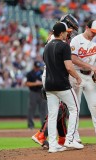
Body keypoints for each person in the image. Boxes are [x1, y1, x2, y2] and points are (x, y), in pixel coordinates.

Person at [31, 14, 79, 148]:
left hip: (51, 74)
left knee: (60, 109)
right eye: (71, 28)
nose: (72, 31)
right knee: (60, 108)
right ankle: (42, 134)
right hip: (54, 74)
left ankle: (60, 139)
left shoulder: (55, 38)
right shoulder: (56, 40)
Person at [69, 20, 96, 144]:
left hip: (90, 77)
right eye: (93, 31)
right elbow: (73, 58)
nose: (94, 34)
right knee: (75, 108)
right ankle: (74, 136)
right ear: (87, 27)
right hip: (76, 75)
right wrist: (91, 67)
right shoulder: (76, 40)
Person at [43, 22, 83, 153]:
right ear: (61, 33)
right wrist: (77, 77)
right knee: (75, 109)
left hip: (49, 85)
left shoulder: (47, 46)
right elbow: (69, 67)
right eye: (66, 32)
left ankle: (53, 146)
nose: (67, 34)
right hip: (62, 84)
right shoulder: (64, 46)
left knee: (53, 114)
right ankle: (70, 139)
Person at [25, 60, 47, 130]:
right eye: (36, 67)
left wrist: (40, 83)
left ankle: (44, 126)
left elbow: (46, 82)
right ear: (34, 66)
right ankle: (30, 125)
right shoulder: (30, 73)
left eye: (38, 67)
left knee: (43, 110)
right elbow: (27, 83)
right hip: (33, 92)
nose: (38, 68)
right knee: (31, 110)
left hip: (41, 92)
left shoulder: (42, 72)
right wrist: (35, 83)